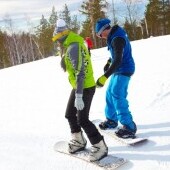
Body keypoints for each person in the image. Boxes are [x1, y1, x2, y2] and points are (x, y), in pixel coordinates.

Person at [52, 19, 108, 161]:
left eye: (58, 38)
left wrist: (78, 95)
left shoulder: (73, 46)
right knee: (70, 114)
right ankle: (79, 141)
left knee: (82, 119)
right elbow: (83, 59)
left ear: (63, 35)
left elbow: (80, 71)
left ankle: (100, 146)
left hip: (85, 87)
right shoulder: (73, 43)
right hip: (79, 86)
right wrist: (66, 59)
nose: (57, 41)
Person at [95, 18, 137, 139]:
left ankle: (129, 126)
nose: (100, 37)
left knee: (117, 95)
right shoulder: (114, 35)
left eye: (99, 34)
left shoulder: (117, 38)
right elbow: (116, 55)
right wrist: (109, 62)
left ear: (104, 30)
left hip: (124, 69)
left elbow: (118, 59)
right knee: (109, 93)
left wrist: (105, 76)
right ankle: (112, 120)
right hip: (119, 68)